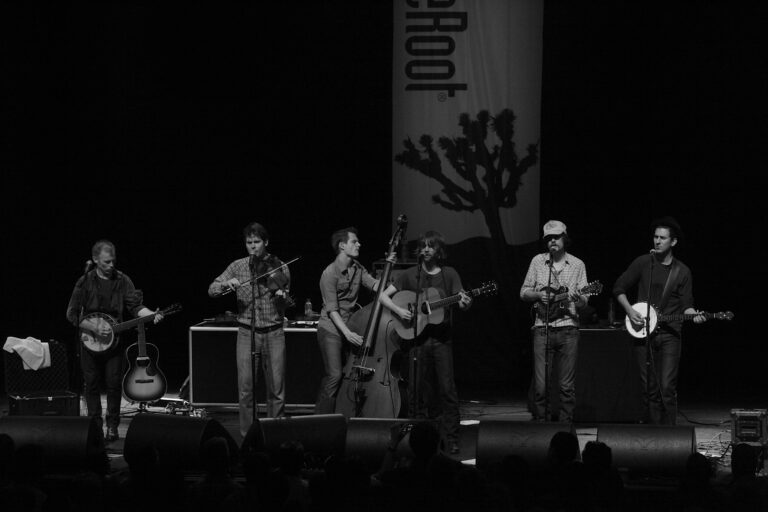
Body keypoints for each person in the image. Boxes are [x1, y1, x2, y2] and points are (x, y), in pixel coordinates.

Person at [379, 231, 471, 454]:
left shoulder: (449, 274)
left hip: (441, 340)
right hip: (416, 340)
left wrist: (465, 302)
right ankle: (416, 437)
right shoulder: (411, 274)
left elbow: (462, 300)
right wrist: (400, 310)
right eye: (423, 246)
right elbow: (383, 296)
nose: (427, 249)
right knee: (416, 390)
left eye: (431, 246)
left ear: (439, 251)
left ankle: (451, 438)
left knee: (447, 390)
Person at [66, 239, 163, 442]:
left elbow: (135, 307)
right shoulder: (85, 281)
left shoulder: (122, 280)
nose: (111, 266)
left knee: (113, 384)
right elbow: (72, 314)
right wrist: (93, 327)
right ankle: (94, 427)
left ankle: (112, 426)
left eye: (113, 261)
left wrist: (151, 314)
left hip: (115, 343)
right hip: (89, 341)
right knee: (91, 384)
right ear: (95, 260)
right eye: (106, 262)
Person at [613, 216, 706, 425]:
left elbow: (687, 306)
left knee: (666, 388)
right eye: (655, 237)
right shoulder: (644, 263)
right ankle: (653, 436)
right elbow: (618, 288)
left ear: (673, 242)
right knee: (649, 389)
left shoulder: (682, 272)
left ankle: (670, 438)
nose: (657, 241)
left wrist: (695, 315)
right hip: (643, 333)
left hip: (670, 334)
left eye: (662, 238)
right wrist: (629, 311)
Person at [208, 222, 290, 437]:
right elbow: (212, 289)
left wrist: (282, 297)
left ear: (266, 242)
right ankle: (248, 438)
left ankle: (274, 436)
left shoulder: (279, 265)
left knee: (277, 390)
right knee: (246, 390)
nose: (253, 247)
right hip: (247, 331)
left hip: (274, 332)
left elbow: (287, 301)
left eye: (257, 242)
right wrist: (227, 284)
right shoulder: (238, 266)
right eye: (249, 242)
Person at [520, 220, 588, 423]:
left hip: (568, 328)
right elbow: (523, 292)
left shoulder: (577, 264)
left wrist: (578, 298)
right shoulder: (537, 261)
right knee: (541, 386)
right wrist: (538, 295)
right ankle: (541, 427)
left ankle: (566, 429)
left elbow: (585, 301)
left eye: (556, 237)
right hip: (543, 328)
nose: (552, 241)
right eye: (548, 238)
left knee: (567, 387)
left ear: (564, 238)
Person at [315, 227, 382, 414]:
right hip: (331, 330)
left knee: (345, 375)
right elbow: (333, 311)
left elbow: (375, 285)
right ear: (342, 245)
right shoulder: (330, 273)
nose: (359, 244)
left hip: (349, 328)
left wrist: (395, 285)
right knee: (335, 375)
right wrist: (348, 334)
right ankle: (320, 420)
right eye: (354, 241)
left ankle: (342, 414)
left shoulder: (358, 268)